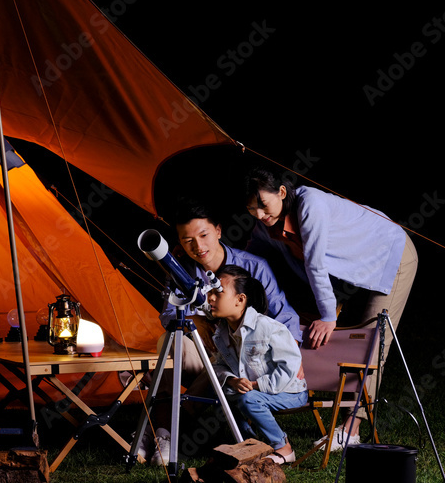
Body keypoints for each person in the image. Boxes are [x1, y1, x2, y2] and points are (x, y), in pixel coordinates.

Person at [242, 165, 418, 449]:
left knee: (373, 344)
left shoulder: (311, 205)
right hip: (354, 271)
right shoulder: (265, 226)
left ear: (282, 192)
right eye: (252, 209)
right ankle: (324, 408)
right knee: (339, 341)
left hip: (390, 254)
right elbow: (250, 258)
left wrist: (327, 316)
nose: (260, 215)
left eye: (263, 204)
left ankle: (352, 429)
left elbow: (315, 263)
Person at [144, 199, 303, 466]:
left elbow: (284, 316)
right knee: (169, 341)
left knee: (218, 372)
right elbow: (169, 316)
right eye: (188, 240)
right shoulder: (181, 272)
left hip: (247, 362)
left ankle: (168, 428)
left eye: (203, 235)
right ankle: (164, 432)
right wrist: (200, 320)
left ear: (218, 231)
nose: (198, 246)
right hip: (210, 351)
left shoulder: (254, 268)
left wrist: (295, 357)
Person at [209, 265, 308, 465]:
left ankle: (283, 447)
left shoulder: (268, 327)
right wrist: (232, 380)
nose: (211, 297)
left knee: (248, 400)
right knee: (221, 396)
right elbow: (218, 365)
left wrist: (255, 386)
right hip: (251, 391)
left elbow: (289, 366)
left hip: (290, 391)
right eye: (210, 292)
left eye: (218, 292)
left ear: (240, 300)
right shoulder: (221, 333)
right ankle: (249, 444)